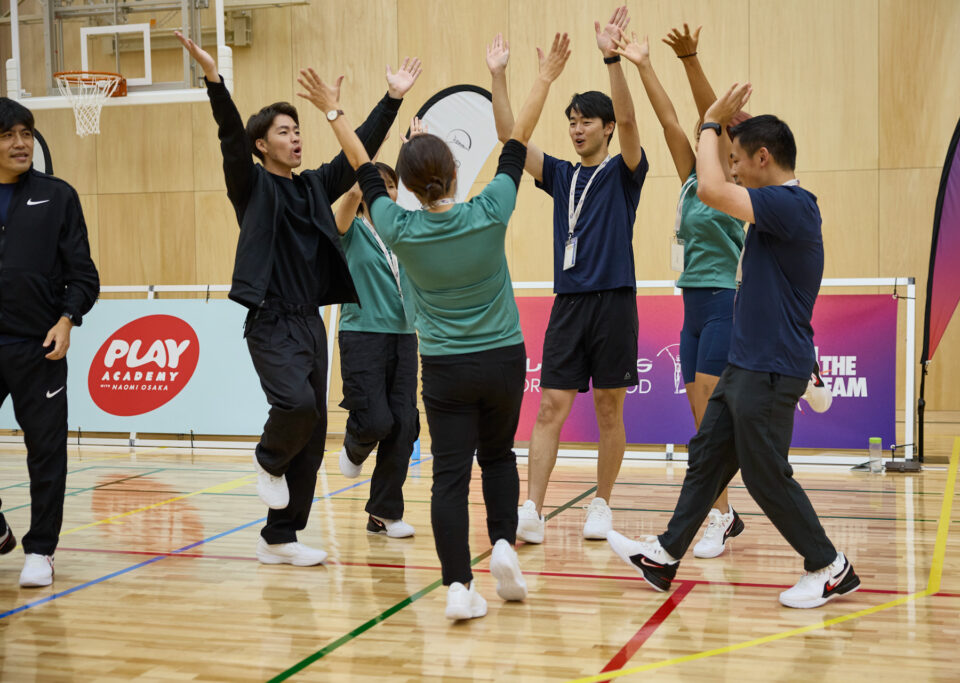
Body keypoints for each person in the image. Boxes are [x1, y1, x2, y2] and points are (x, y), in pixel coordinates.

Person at [295, 32, 571, 621]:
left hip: (444, 367)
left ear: (413, 187)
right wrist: (540, 76)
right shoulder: (491, 209)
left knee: (449, 475)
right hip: (502, 358)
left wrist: (333, 109)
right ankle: (502, 545)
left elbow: (363, 164)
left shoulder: (398, 225)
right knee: (497, 458)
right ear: (452, 173)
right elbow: (516, 141)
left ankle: (455, 588)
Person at [606, 84, 861, 609]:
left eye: (740, 159)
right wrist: (717, 120)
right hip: (748, 363)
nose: (734, 168)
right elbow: (719, 183)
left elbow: (710, 191)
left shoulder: (793, 206)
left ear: (763, 158)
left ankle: (830, 565)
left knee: (766, 474)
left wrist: (707, 124)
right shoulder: (773, 210)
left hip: (771, 369)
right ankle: (665, 554)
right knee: (707, 458)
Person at [175, 31, 419, 566]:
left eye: (298, 129)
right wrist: (215, 81)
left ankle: (279, 538)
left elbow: (361, 155)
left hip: (309, 321)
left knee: (312, 435)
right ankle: (266, 459)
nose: (295, 137)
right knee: (296, 405)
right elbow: (230, 141)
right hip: (270, 320)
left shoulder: (312, 186)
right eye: (284, 131)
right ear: (263, 144)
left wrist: (392, 99)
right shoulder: (252, 185)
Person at [489, 6, 648, 544]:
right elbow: (512, 137)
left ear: (604, 128)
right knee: (551, 405)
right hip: (569, 303)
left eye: (586, 121)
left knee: (608, 406)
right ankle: (531, 508)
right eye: (571, 122)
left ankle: (601, 504)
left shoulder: (625, 170)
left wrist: (612, 58)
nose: (577, 129)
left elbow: (630, 122)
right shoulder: (560, 174)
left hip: (614, 302)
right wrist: (499, 77)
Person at [614, 26, 748, 559]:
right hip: (691, 308)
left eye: (715, 136)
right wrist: (644, 64)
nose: (705, 139)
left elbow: (709, 114)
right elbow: (673, 120)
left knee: (710, 425)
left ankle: (717, 515)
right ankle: (724, 511)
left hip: (722, 305)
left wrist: (691, 60)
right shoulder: (694, 178)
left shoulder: (736, 185)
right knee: (701, 422)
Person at [0, 97, 100, 587]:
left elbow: (84, 275)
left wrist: (67, 319)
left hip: (38, 345)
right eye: (7, 135)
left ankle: (41, 550)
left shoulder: (58, 196)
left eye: (25, 133)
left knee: (45, 449)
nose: (20, 143)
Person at [334, 156, 418, 539]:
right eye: (377, 184)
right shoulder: (351, 228)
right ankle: (354, 446)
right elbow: (345, 208)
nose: (386, 191)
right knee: (376, 421)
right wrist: (358, 174)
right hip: (362, 334)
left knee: (403, 426)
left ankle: (384, 513)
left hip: (403, 336)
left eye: (391, 184)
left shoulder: (401, 228)